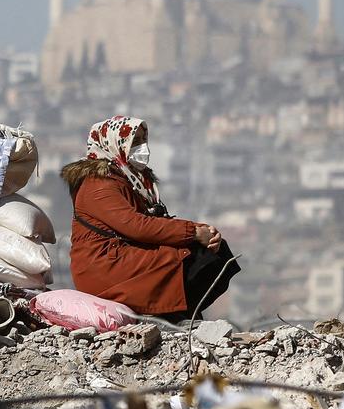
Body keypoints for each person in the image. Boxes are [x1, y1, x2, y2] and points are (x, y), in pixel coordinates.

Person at [61, 115, 239, 321]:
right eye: (134, 142)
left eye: (143, 141)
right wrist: (193, 233)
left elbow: (153, 220)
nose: (142, 147)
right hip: (105, 265)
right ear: (115, 144)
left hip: (122, 255)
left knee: (215, 251)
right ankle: (172, 313)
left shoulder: (130, 179)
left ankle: (178, 312)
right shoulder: (98, 184)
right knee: (191, 258)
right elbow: (137, 226)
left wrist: (201, 230)